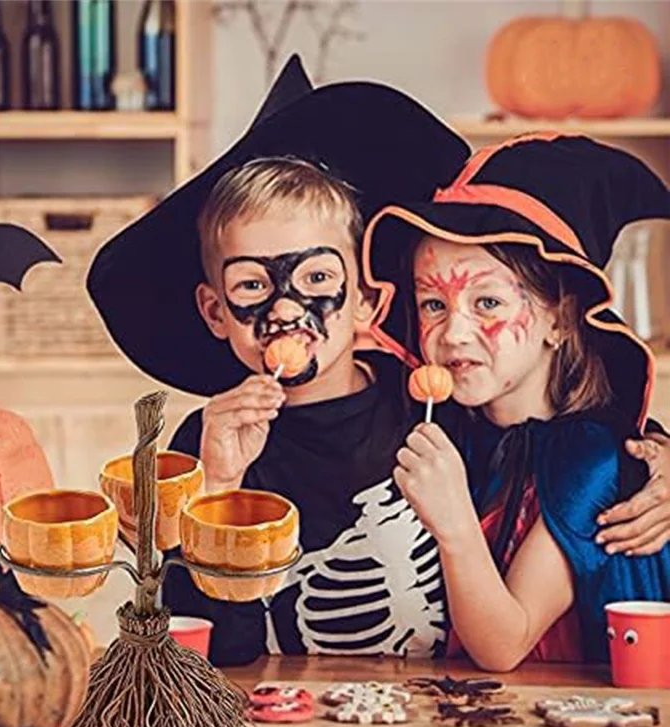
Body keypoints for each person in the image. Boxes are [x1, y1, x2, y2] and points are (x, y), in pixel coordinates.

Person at [87, 58, 670, 667]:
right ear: (215, 310)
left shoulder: (435, 406)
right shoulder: (205, 445)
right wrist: (221, 487)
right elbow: (207, 651)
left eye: (316, 277)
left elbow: (559, 441)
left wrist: (656, 457)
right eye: (254, 286)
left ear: (367, 298)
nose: (286, 310)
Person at [363, 132, 670, 669]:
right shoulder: (455, 429)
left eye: (487, 302)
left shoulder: (591, 458)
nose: (453, 332)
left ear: (559, 319)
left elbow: (504, 644)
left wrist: (454, 521)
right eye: (433, 303)